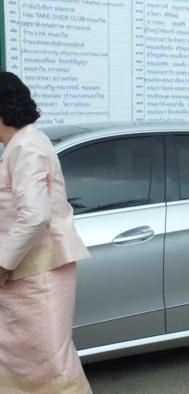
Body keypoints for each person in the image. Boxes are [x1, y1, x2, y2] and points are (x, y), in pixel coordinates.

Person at [0, 72, 92, 393]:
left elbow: (35, 216)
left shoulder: (27, 147)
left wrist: (2, 264)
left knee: (48, 364)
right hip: (28, 275)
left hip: (39, 275)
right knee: (26, 362)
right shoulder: (20, 145)